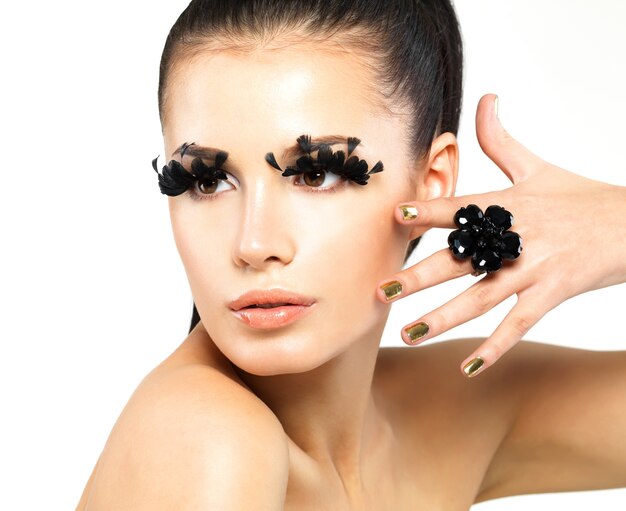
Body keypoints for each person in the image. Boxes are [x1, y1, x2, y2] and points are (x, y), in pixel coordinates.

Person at [75, 0, 626, 509]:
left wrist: (612, 224)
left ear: (432, 181)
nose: (254, 244)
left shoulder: (446, 413)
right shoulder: (204, 438)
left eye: (316, 173)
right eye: (206, 181)